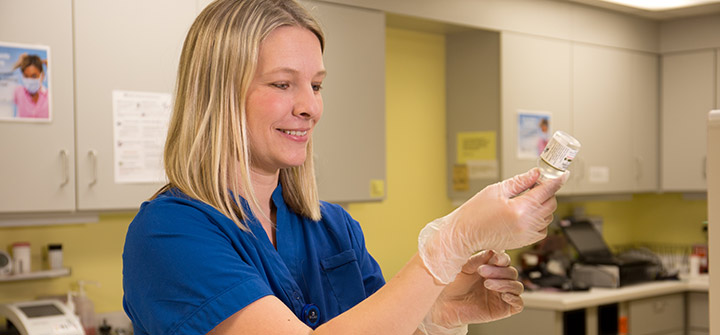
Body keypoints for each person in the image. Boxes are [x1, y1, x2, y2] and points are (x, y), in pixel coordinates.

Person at [121, 0, 567, 334]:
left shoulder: (332, 227)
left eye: (316, 85)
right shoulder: (169, 233)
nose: (310, 107)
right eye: (283, 84)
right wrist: (448, 243)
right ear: (217, 95)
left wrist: (435, 314)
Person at [13, 53, 49, 119]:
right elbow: (4, 81)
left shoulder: (49, 96)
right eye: (26, 76)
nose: (30, 80)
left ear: (42, 75)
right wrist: (17, 64)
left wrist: (50, 66)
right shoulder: (18, 91)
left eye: (34, 76)